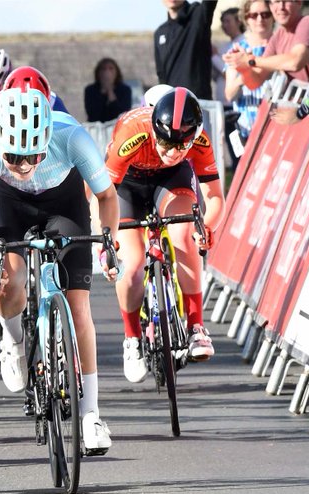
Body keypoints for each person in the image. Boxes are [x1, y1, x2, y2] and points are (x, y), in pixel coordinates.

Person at [0, 86, 122, 453]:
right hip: (7, 201)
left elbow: (108, 197)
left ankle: (91, 414)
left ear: (48, 141)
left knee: (79, 307)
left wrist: (108, 246)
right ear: (2, 144)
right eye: (15, 157)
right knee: (7, 280)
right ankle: (14, 340)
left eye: (35, 155)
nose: (26, 166)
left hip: (63, 201)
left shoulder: (71, 136)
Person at [106, 88, 224, 382]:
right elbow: (101, 194)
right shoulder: (134, 132)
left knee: (184, 236)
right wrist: (106, 242)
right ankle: (132, 338)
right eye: (165, 143)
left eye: (180, 145)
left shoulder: (200, 140)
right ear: (154, 129)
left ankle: (197, 326)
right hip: (127, 187)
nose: (172, 152)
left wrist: (206, 227)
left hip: (172, 182)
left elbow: (215, 198)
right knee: (131, 266)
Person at [224, 0, 309, 85]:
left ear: (299, 2)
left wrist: (250, 60)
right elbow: (256, 81)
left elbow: (295, 62)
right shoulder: (278, 36)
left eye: (286, 1)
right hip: (294, 108)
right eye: (276, 1)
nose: (281, 7)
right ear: (271, 6)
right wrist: (241, 65)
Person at [225, 0, 275, 141]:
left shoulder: (281, 47)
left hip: (274, 128)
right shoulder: (236, 50)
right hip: (246, 131)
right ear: (246, 19)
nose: (260, 19)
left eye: (265, 14)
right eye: (254, 15)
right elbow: (230, 94)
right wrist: (246, 75)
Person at [155, 0, 216, 100]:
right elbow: (161, 73)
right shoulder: (159, 32)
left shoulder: (199, 15)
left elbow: (209, 3)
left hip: (198, 102)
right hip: (172, 103)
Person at [84, 58, 133, 122]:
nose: (107, 72)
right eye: (104, 69)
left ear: (116, 72)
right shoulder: (90, 90)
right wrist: (102, 91)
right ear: (98, 72)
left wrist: (110, 91)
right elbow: (92, 114)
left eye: (111, 69)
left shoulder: (125, 90)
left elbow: (123, 114)